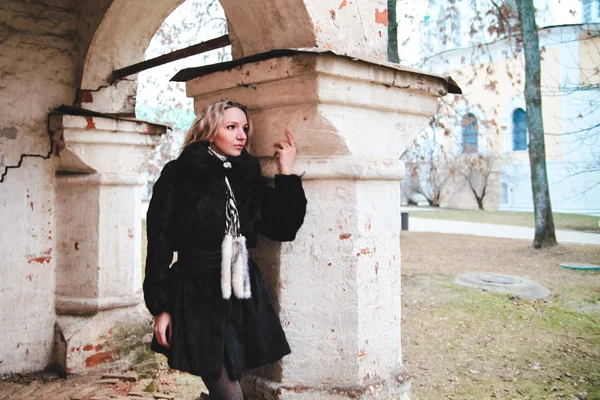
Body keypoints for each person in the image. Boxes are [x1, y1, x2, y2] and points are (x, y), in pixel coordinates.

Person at [143, 100, 307, 400]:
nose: (241, 135)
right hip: (195, 292)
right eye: (231, 127)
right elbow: (159, 245)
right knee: (229, 393)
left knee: (231, 379)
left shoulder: (247, 175)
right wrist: (162, 306)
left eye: (244, 128)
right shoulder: (178, 174)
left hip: (241, 292)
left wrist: (286, 173)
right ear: (209, 130)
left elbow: (283, 227)